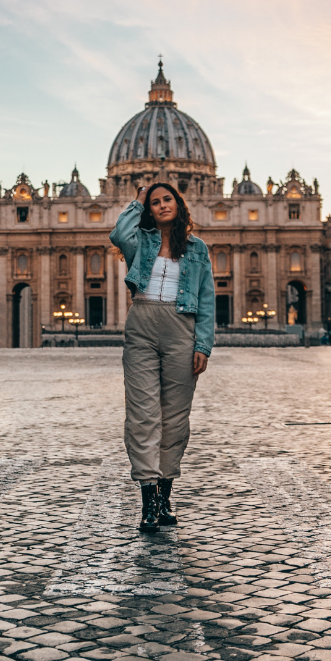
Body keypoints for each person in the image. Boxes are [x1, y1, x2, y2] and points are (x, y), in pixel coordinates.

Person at [110, 182, 215, 533]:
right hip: (142, 322)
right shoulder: (139, 242)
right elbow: (119, 231)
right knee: (142, 414)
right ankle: (148, 501)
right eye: (154, 202)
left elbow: (207, 300)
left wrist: (203, 345)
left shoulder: (198, 249)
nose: (161, 205)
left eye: (167, 199)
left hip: (181, 328)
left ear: (178, 203)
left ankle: (166, 493)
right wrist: (137, 201)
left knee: (174, 419)